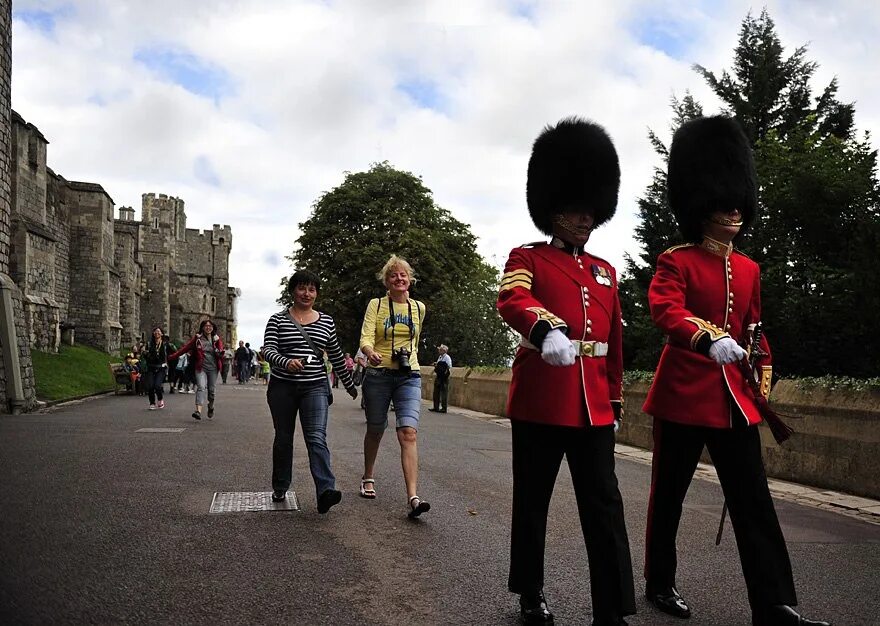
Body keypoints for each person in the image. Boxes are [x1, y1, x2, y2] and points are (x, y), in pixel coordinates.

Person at [641, 115, 830, 626]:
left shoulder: (748, 269)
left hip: (734, 401)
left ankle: (773, 603)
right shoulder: (675, 260)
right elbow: (668, 312)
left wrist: (762, 369)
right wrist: (707, 337)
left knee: (753, 502)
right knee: (669, 498)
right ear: (700, 206)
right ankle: (659, 581)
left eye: (738, 203)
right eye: (723, 203)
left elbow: (754, 329)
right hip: (683, 395)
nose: (733, 211)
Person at [496, 117, 635, 626]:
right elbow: (511, 297)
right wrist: (543, 330)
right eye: (575, 209)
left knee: (604, 505)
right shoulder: (526, 256)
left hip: (593, 404)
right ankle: (530, 591)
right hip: (541, 400)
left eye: (591, 209)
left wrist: (614, 398)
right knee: (533, 502)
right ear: (552, 208)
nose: (585, 217)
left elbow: (613, 342)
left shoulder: (605, 271)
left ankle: (614, 607)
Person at [262, 269, 357, 514]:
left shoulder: (326, 321)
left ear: (316, 293)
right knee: (284, 438)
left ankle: (325, 490)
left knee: (316, 437)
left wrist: (349, 384)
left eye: (312, 289)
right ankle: (281, 485)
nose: (307, 293)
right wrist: (286, 362)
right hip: (282, 387)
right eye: (302, 288)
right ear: (293, 291)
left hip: (314, 386)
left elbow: (335, 354)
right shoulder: (277, 320)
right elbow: (269, 351)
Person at [359, 255, 430, 519]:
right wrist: (369, 351)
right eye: (393, 275)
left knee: (408, 432)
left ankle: (413, 497)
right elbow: (366, 336)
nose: (399, 279)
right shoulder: (376, 305)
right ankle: (368, 476)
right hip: (378, 374)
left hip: (408, 375)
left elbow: (415, 341)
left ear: (409, 279)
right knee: (376, 428)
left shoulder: (419, 308)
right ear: (386, 282)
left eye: (403, 275)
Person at [170, 319, 224, 420]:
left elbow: (221, 351)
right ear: (202, 328)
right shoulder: (197, 339)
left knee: (211, 391)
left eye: (210, 326)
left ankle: (211, 406)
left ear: (213, 328)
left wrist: (220, 351)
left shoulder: (216, 339)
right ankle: (198, 411)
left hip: (213, 368)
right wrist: (172, 356)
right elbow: (185, 348)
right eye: (206, 326)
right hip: (201, 367)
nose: (208, 327)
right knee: (201, 387)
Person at [143, 326, 171, 410]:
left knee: (157, 386)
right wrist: (145, 354)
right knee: (151, 386)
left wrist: (168, 362)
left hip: (161, 367)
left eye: (159, 331)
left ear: (162, 334)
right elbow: (145, 354)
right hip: (151, 367)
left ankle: (160, 399)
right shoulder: (149, 344)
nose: (157, 333)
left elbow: (171, 354)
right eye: (155, 331)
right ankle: (152, 403)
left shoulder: (165, 344)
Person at [428, 344, 452, 413]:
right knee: (436, 392)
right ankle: (436, 407)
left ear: (443, 351)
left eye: (440, 349)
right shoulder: (440, 357)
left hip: (444, 377)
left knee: (444, 393)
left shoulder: (447, 357)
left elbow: (449, 366)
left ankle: (444, 408)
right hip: (439, 376)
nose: (439, 350)